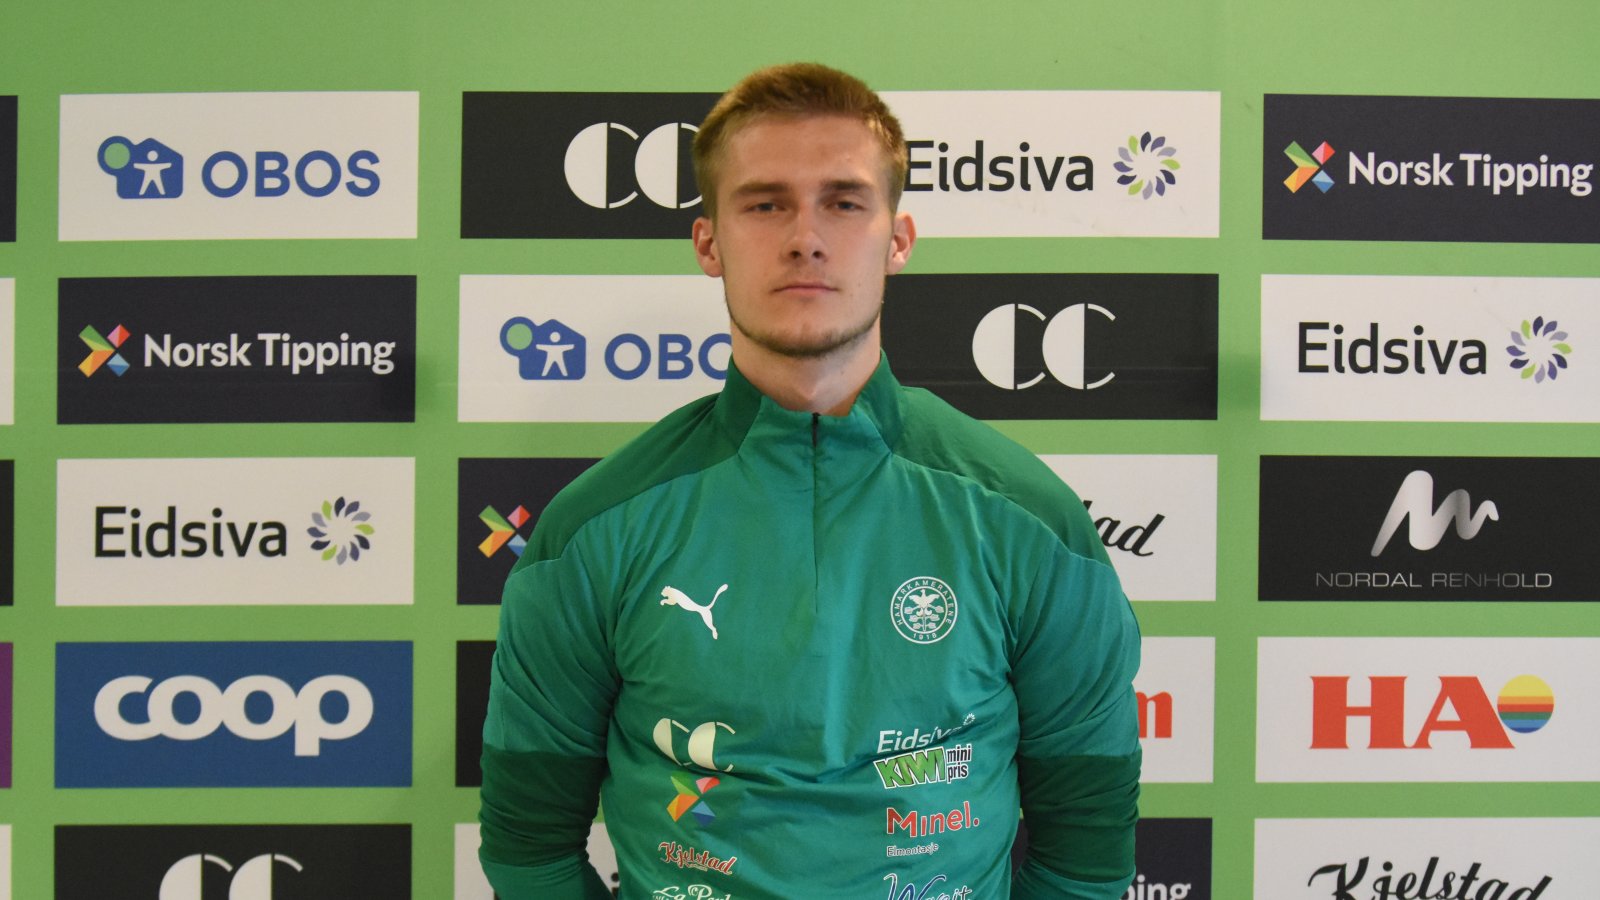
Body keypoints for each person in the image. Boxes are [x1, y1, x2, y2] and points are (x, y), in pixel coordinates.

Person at [479, 62, 1141, 899]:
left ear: (898, 239)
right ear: (708, 243)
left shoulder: (1029, 522)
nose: (806, 237)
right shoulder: (593, 531)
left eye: (844, 202)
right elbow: (529, 851)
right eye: (765, 204)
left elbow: (1086, 858)